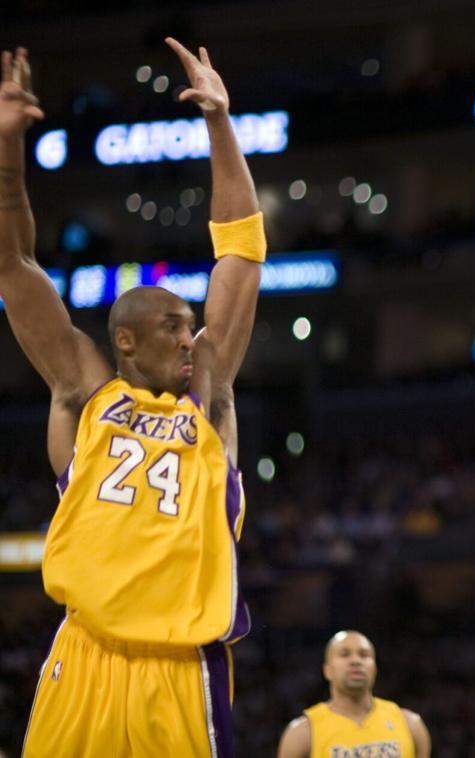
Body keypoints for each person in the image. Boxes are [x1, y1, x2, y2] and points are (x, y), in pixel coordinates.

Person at [5, 41, 266, 756]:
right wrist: (5, 149)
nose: (192, 340)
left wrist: (220, 124)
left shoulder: (207, 394)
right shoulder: (83, 393)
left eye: (193, 327)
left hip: (180, 665)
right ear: (126, 342)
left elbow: (241, 259)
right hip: (82, 653)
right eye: (175, 328)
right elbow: (15, 266)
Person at [277, 630, 431, 758]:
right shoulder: (302, 733)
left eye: (364, 655)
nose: (356, 661)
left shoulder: (410, 724)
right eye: (345, 654)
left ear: (374, 668)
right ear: (327, 670)